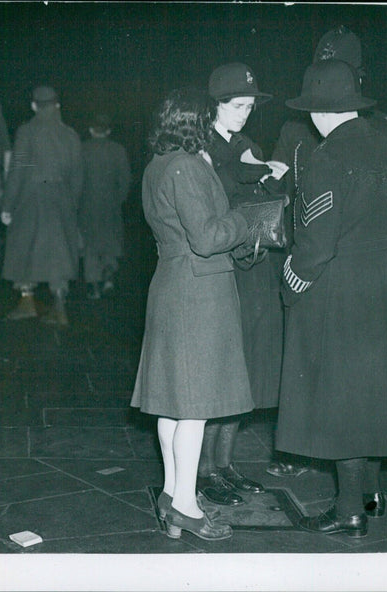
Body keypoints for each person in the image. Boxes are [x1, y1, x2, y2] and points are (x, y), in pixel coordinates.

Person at [277, 59, 387, 537]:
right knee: (374, 392)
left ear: (317, 112)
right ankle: (372, 495)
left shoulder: (327, 157)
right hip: (383, 282)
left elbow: (315, 243)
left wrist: (291, 282)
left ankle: (348, 510)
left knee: (342, 399)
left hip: (340, 286)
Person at [131, 87, 255, 541]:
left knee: (172, 404)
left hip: (171, 285)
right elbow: (205, 238)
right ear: (195, 122)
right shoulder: (185, 166)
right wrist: (245, 219)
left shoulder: (157, 164)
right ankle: (185, 505)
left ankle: (170, 493)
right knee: (196, 408)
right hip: (198, 292)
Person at [196, 63, 286, 507]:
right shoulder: (201, 149)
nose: (244, 114)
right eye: (236, 106)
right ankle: (202, 469)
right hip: (220, 269)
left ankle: (225, 465)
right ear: (215, 105)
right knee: (217, 368)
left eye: (250, 106)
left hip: (253, 267)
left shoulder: (249, 146)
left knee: (245, 368)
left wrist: (270, 177)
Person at [0, 85, 83, 326]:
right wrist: (72, 203)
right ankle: (59, 307)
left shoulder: (27, 132)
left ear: (34, 106)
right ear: (57, 105)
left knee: (24, 247)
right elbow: (78, 175)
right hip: (62, 197)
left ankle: (27, 304)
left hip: (31, 197)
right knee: (59, 251)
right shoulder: (70, 134)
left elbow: (18, 170)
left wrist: (8, 205)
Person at [79, 113, 131, 299]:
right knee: (110, 241)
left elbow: (77, 179)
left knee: (91, 245)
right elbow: (125, 180)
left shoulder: (82, 150)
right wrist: (119, 200)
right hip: (111, 205)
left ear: (91, 130)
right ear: (108, 131)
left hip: (87, 206)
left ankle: (93, 285)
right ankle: (108, 277)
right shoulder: (118, 150)